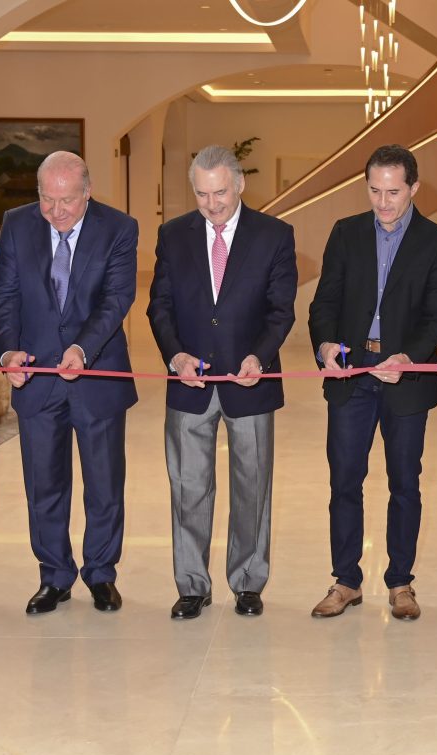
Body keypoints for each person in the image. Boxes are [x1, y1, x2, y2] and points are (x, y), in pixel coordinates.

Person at [147, 145, 297, 620]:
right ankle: (192, 585)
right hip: (188, 384)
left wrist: (260, 355)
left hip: (250, 381)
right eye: (202, 194)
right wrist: (175, 355)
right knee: (188, 486)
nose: (211, 204)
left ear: (240, 184)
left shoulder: (274, 235)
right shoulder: (173, 235)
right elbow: (159, 306)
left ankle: (248, 582)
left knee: (252, 486)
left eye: (220, 193)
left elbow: (281, 310)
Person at [307, 144, 437, 620]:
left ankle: (400, 583)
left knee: (405, 482)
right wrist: (325, 345)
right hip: (352, 375)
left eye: (393, 192)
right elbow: (324, 302)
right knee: (344, 480)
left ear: (414, 188)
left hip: (405, 378)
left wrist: (408, 356)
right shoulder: (346, 232)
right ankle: (346, 581)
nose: (383, 202)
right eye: (375, 191)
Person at [0, 151, 139, 615]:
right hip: (36, 377)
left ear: (87, 192)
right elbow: (4, 295)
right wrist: (7, 352)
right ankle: (54, 575)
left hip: (96, 374)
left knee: (104, 484)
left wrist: (82, 348)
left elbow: (117, 299)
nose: (56, 212)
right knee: (44, 485)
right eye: (47, 200)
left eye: (67, 201)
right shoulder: (17, 225)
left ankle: (101, 573)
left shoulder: (119, 228)